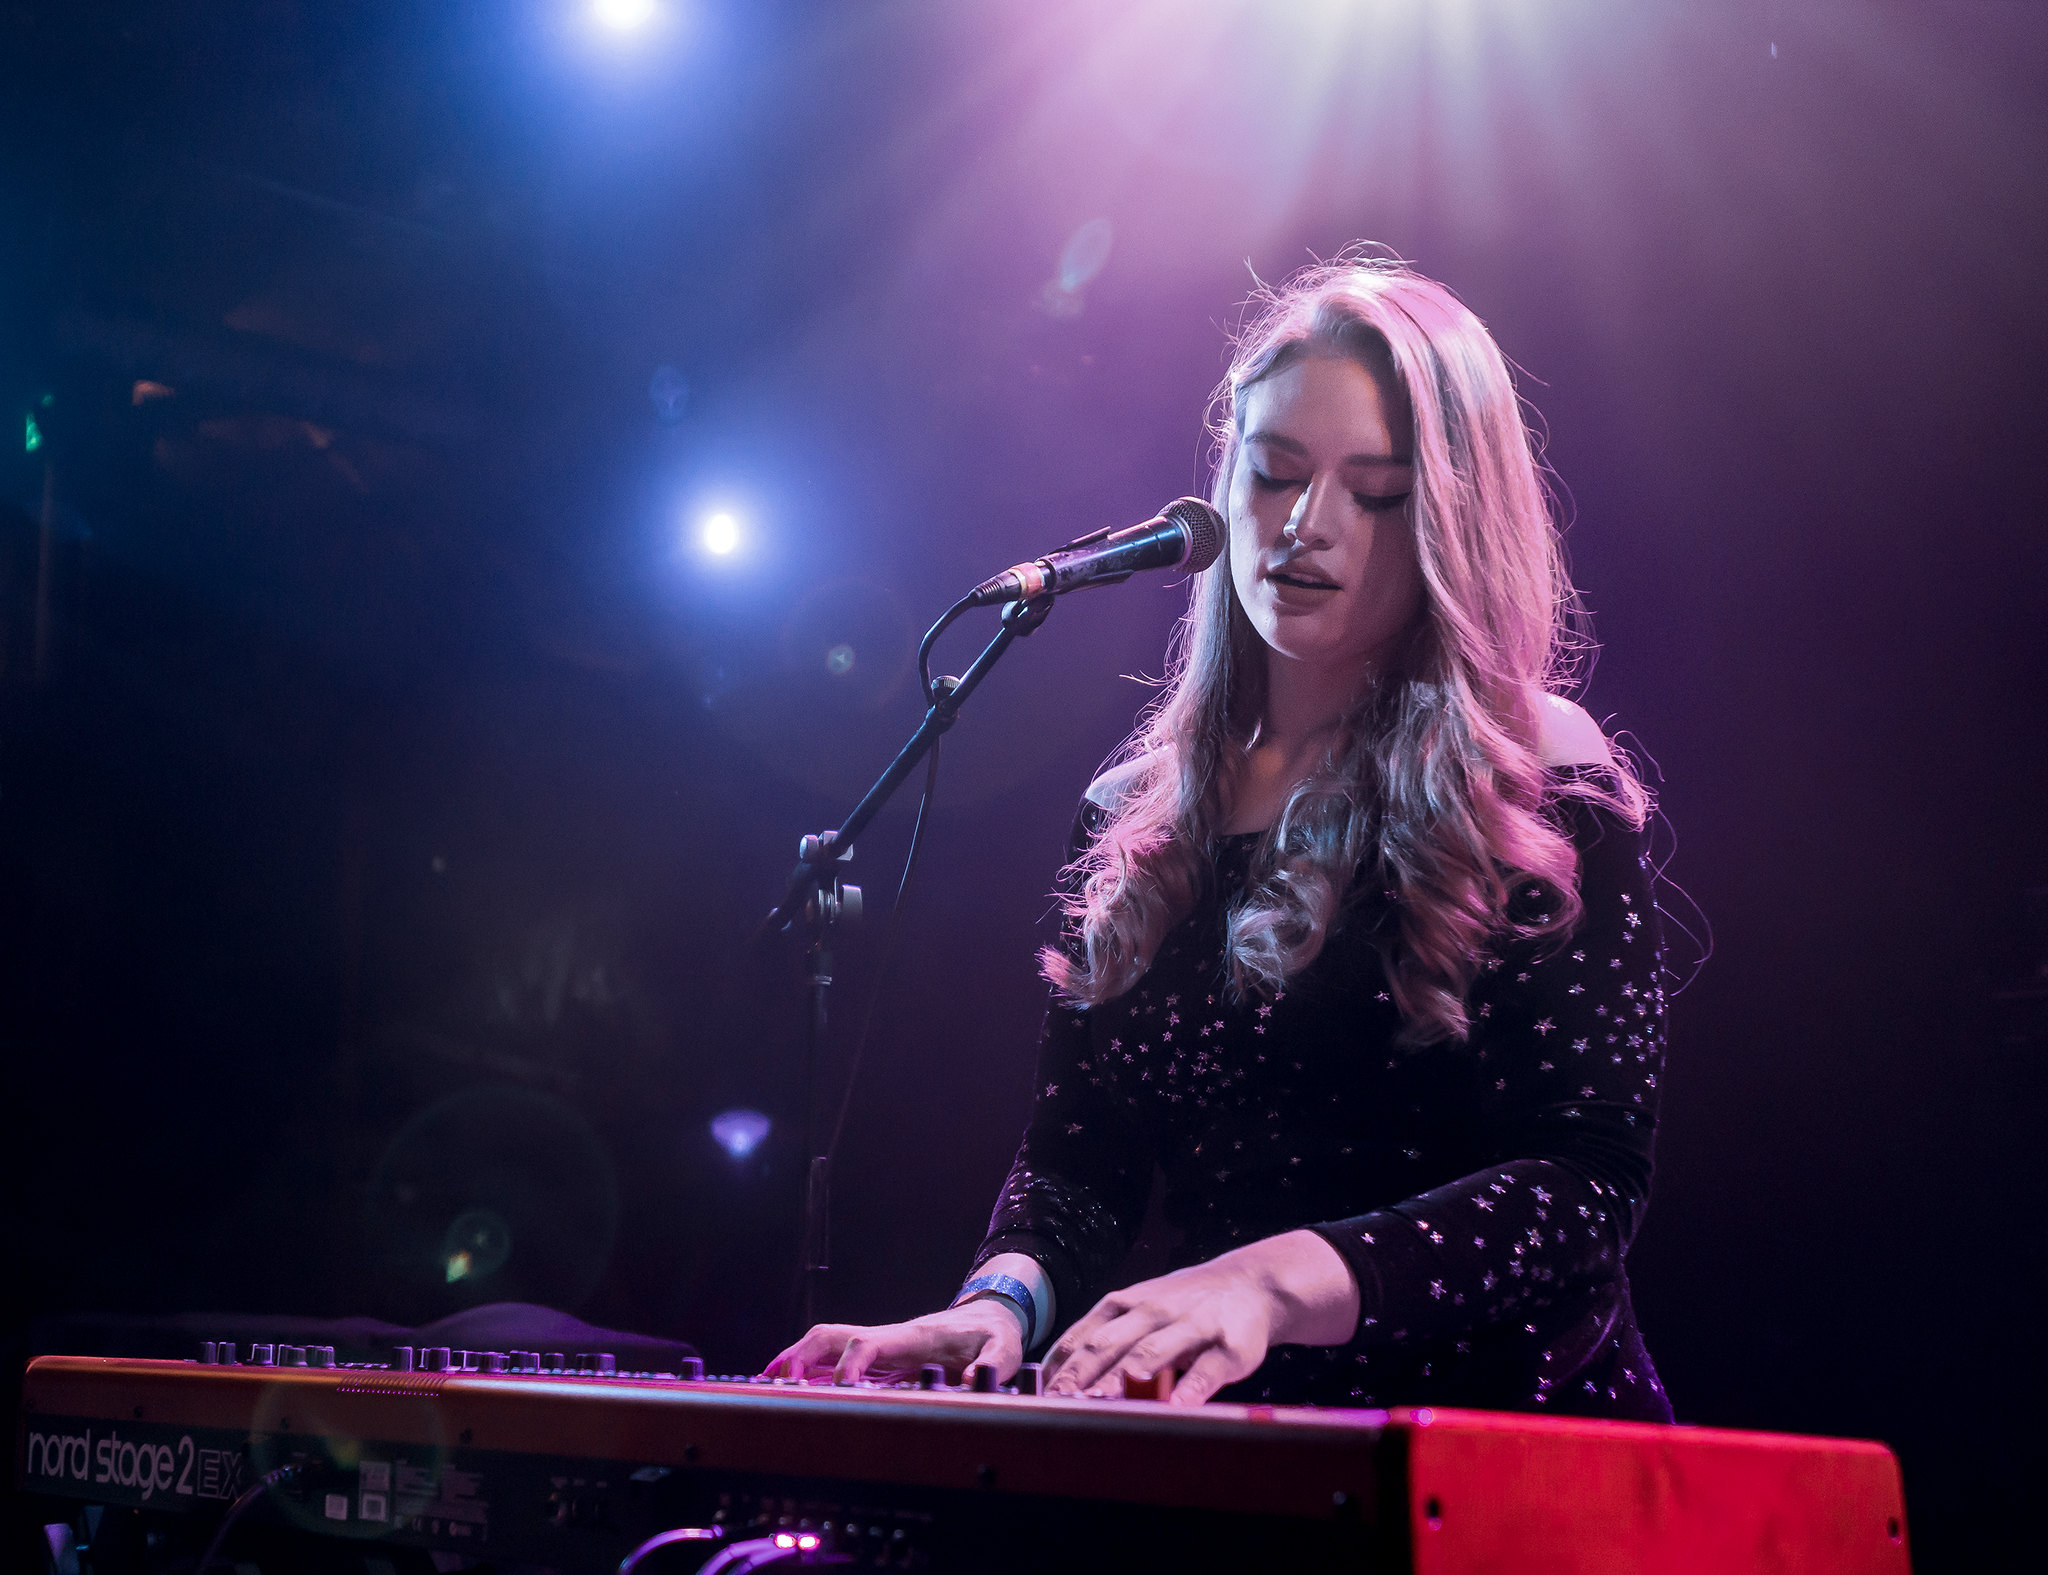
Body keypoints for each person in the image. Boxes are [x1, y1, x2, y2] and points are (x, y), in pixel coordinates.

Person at [767, 253, 1672, 1421]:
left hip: (1504, 1458)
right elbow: (1077, 1166)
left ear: (1453, 516)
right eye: (1273, 473)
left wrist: (1271, 1279)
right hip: (1236, 1454)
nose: (1304, 525)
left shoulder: (1531, 776)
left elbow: (1584, 1184)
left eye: (1376, 493)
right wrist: (996, 1306)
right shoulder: (1136, 812)